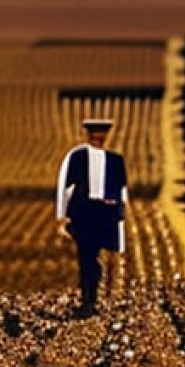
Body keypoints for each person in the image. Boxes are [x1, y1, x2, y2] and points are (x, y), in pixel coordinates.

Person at [55, 118, 128, 317]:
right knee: (87, 257)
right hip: (84, 213)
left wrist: (119, 214)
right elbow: (65, 187)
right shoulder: (77, 157)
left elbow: (122, 191)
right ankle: (89, 299)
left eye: (101, 134)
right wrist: (62, 217)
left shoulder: (115, 160)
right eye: (95, 134)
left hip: (105, 215)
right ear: (88, 135)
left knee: (106, 258)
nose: (98, 138)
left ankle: (102, 298)